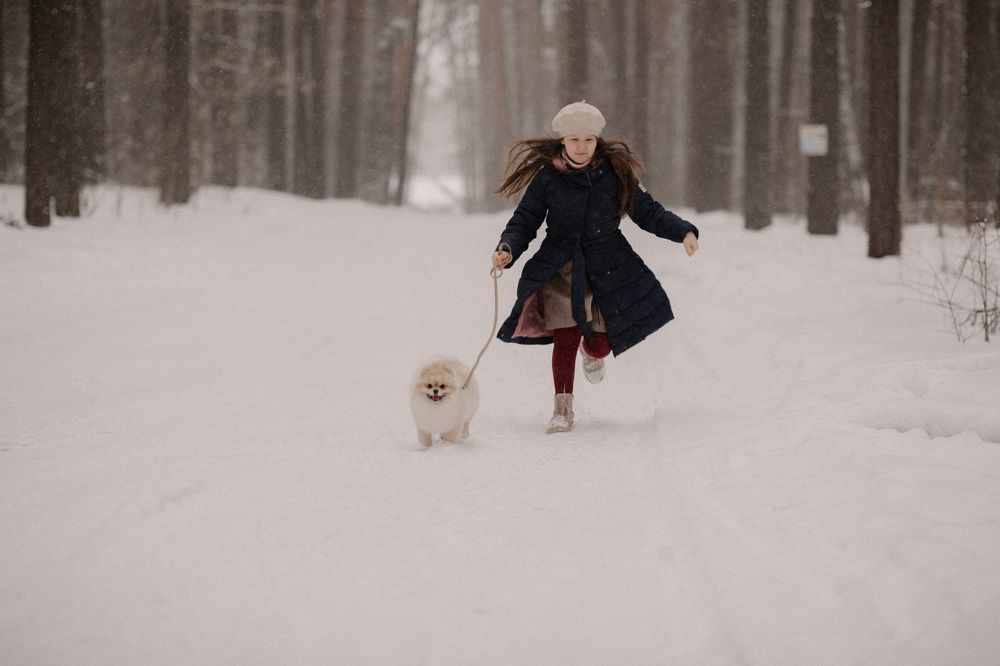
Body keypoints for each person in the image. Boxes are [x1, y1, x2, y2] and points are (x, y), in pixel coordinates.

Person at [490, 101, 699, 434]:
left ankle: (594, 352)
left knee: (599, 343)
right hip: (560, 267)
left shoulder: (615, 172)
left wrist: (683, 231)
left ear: (596, 140)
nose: (582, 147)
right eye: (575, 140)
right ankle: (562, 409)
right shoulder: (549, 177)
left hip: (607, 266)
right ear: (563, 142)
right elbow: (525, 220)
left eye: (588, 140)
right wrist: (508, 248)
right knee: (565, 337)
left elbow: (648, 212)